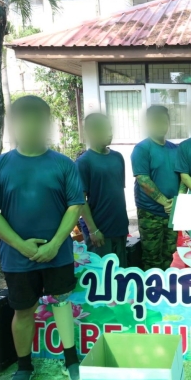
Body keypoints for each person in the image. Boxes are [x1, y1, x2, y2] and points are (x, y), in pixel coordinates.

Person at [0, 96, 84, 380]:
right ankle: (24, 367)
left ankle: (71, 360)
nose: (31, 127)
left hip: (57, 254)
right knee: (24, 310)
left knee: (62, 302)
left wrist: (55, 244)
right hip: (17, 258)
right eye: (24, 121)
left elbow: (75, 206)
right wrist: (22, 246)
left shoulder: (63, 164)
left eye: (37, 120)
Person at [131, 105, 186, 270]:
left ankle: (165, 282)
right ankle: (151, 285)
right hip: (150, 213)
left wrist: (178, 200)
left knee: (169, 254)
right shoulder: (141, 149)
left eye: (163, 121)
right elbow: (143, 180)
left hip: (172, 212)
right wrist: (165, 202)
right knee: (152, 257)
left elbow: (184, 177)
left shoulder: (175, 149)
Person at [76, 113, 129, 267]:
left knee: (120, 272)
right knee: (101, 273)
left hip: (119, 227)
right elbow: (80, 200)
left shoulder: (118, 157)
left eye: (110, 129)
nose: (109, 133)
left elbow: (117, 193)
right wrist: (92, 230)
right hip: (99, 231)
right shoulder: (83, 162)